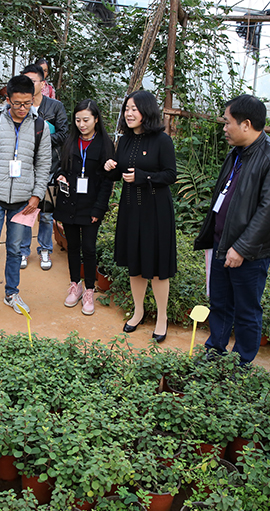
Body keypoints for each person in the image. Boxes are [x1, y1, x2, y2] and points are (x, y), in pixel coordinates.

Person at [194, 94, 270, 364]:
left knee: (247, 309)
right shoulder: (236, 153)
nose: (224, 128)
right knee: (220, 303)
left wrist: (241, 248)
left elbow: (268, 213)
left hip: (249, 252)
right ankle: (214, 351)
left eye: (228, 122)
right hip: (221, 243)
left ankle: (241, 363)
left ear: (246, 124)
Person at [0, 75, 51, 319]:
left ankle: (12, 294)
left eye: (27, 103)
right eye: (17, 103)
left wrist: (37, 195)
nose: (22, 108)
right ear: (8, 100)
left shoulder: (40, 126)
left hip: (23, 202)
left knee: (15, 250)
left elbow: (43, 164)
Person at [104, 90, 176, 342]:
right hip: (130, 210)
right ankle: (138, 312)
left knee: (157, 268)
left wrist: (144, 177)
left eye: (134, 109)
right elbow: (120, 172)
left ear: (147, 111)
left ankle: (162, 317)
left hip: (156, 211)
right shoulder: (125, 140)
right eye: (127, 109)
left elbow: (170, 175)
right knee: (134, 264)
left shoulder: (162, 140)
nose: (129, 113)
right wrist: (110, 167)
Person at [54, 99, 114, 315]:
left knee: (88, 248)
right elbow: (61, 167)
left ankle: (89, 289)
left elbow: (107, 182)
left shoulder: (105, 144)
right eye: (78, 120)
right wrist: (60, 175)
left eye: (86, 120)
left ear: (96, 119)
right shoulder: (70, 141)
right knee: (72, 246)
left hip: (91, 206)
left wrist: (99, 209)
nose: (81, 124)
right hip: (69, 203)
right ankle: (75, 285)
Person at [19, 63, 68, 271]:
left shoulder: (55, 107)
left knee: (46, 213)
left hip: (50, 165)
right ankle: (23, 250)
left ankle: (45, 249)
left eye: (32, 81)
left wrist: (40, 139)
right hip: (24, 167)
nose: (29, 85)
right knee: (25, 210)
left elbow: (64, 134)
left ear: (43, 83)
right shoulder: (19, 106)